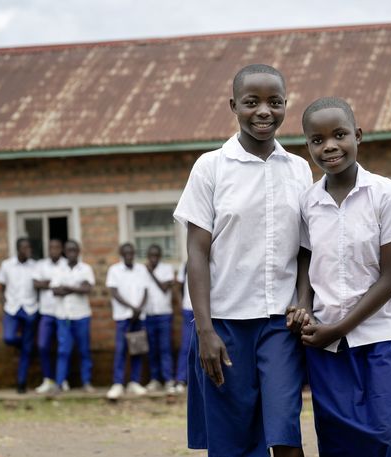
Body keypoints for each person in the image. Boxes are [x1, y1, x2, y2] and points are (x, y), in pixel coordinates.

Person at [174, 64, 312, 457]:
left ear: (287, 104)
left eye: (275, 102)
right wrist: (204, 331)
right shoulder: (211, 167)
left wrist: (303, 301)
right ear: (234, 105)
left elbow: (304, 250)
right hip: (225, 324)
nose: (264, 111)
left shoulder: (300, 169)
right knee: (234, 442)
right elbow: (197, 253)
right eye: (252, 103)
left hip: (279, 325)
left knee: (286, 434)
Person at [292, 97, 391, 456]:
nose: (330, 146)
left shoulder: (386, 194)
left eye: (339, 135)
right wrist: (303, 304)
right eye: (317, 140)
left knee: (386, 434)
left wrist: (339, 327)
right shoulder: (308, 202)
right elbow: (304, 259)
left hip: (378, 338)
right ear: (308, 147)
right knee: (337, 438)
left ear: (358, 136)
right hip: (325, 344)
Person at [49, 240, 95, 393]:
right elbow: (55, 291)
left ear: (79, 251)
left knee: (84, 350)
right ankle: (60, 382)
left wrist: (66, 287)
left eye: (75, 250)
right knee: (63, 351)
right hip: (64, 316)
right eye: (69, 250)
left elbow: (87, 289)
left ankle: (86, 382)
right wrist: (76, 287)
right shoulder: (59, 269)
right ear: (65, 252)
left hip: (82, 315)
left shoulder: (85, 269)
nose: (72, 253)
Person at [105, 243, 149, 400]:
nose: (129, 256)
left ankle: (134, 382)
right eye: (126, 253)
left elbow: (145, 291)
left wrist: (139, 308)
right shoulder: (114, 270)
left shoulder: (141, 269)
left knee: (137, 349)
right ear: (121, 254)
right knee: (121, 350)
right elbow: (114, 292)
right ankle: (117, 383)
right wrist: (131, 308)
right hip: (123, 317)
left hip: (139, 316)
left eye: (131, 253)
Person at [0, 238, 38, 393]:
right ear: (18, 249)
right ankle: (23, 344)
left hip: (30, 308)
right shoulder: (7, 265)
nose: (28, 250)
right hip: (12, 308)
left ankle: (21, 383)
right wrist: (4, 305)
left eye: (29, 247)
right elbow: (2, 287)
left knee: (26, 350)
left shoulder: (35, 266)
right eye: (25, 248)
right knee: (9, 338)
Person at [33, 239, 67, 394]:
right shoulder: (41, 265)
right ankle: (48, 379)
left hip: (63, 312)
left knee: (63, 347)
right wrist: (53, 285)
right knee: (43, 345)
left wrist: (47, 283)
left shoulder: (67, 265)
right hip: (46, 312)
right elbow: (36, 284)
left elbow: (67, 285)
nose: (54, 250)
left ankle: (62, 379)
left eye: (57, 247)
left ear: (61, 249)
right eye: (51, 247)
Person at [143, 244, 175, 394]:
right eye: (151, 256)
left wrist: (151, 273)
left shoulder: (166, 269)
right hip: (149, 315)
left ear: (160, 256)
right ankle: (155, 379)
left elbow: (164, 288)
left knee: (165, 348)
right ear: (148, 256)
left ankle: (168, 379)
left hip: (164, 315)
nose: (153, 258)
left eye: (156, 256)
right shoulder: (141, 271)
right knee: (152, 349)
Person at [173, 262, 193, 395]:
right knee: (186, 346)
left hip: (209, 311)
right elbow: (178, 287)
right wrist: (181, 304)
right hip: (189, 310)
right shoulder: (185, 265)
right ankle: (181, 379)